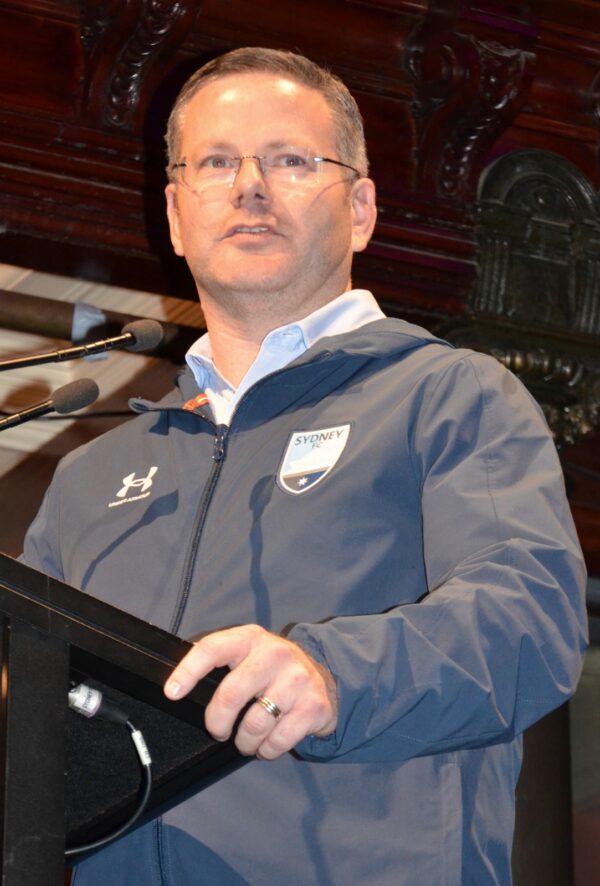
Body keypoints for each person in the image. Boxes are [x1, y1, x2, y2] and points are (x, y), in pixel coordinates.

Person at [23, 47, 587, 885]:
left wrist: (332, 674)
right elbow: (28, 730)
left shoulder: (447, 396)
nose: (249, 185)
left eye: (290, 160)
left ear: (360, 209)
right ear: (176, 215)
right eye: (217, 162)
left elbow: (529, 624)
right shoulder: (87, 480)